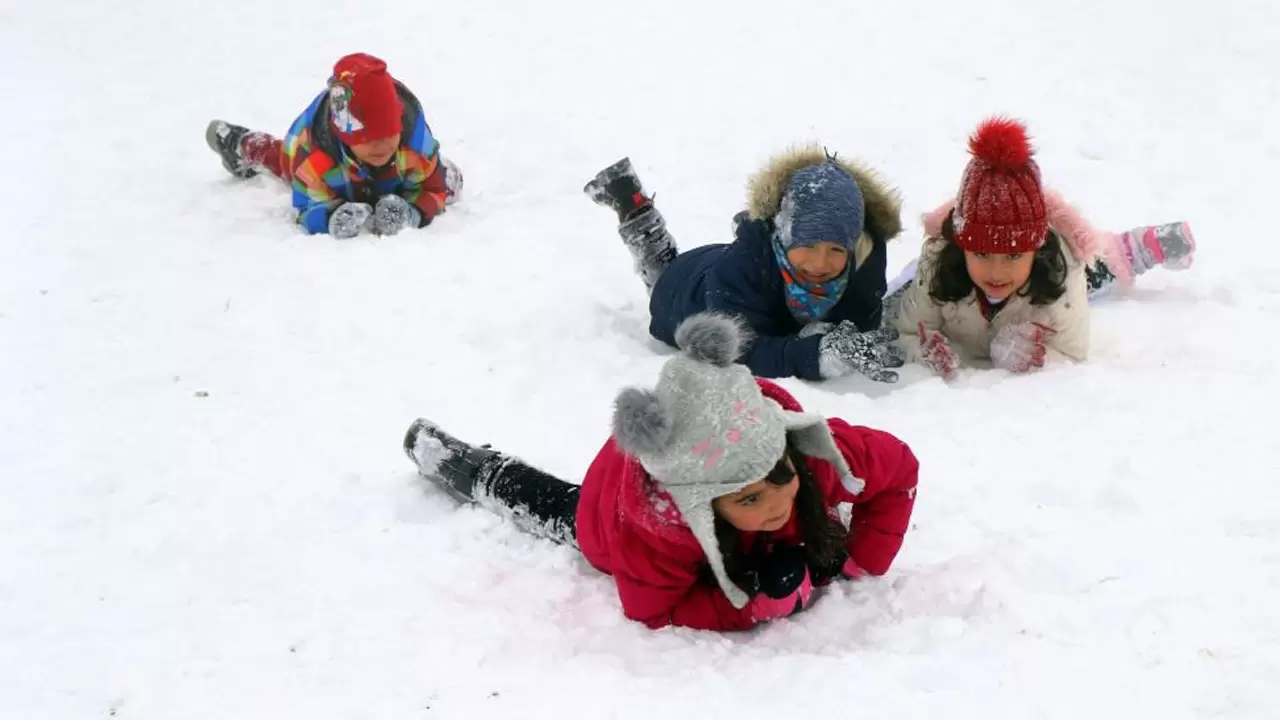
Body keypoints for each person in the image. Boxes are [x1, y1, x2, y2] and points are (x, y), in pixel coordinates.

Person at [403, 313, 920, 631]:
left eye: (778, 478)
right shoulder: (658, 530)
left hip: (691, 446)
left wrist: (859, 559)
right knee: (558, 508)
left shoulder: (807, 453)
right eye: (747, 500)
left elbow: (899, 471)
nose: (775, 504)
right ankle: (464, 465)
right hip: (611, 510)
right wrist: (749, 606)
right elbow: (653, 610)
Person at [888, 116, 1196, 378]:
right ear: (962, 246)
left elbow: (1073, 352)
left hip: (1045, 281)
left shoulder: (1061, 270)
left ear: (1036, 248)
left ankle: (1131, 250)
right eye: (981, 253)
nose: (997, 271)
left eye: (1013, 254)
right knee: (895, 298)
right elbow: (906, 334)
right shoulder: (937, 264)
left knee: (1093, 271)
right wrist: (926, 353)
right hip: (951, 277)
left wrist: (1035, 357)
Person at [583, 147, 906, 383]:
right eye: (806, 245)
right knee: (661, 271)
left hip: (736, 268)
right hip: (686, 291)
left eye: (836, 249)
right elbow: (737, 351)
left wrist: (838, 337)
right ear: (783, 236)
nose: (820, 263)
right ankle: (635, 209)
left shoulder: (864, 255)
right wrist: (813, 355)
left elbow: (862, 317)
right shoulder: (739, 269)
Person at [205, 52, 462, 238]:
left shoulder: (415, 146)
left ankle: (442, 172)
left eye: (389, 133)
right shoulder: (315, 158)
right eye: (368, 139)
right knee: (283, 161)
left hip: (397, 174)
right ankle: (241, 144)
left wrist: (413, 213)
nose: (381, 145)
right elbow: (306, 207)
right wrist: (330, 217)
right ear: (345, 135)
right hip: (325, 166)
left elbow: (433, 189)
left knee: (445, 184)